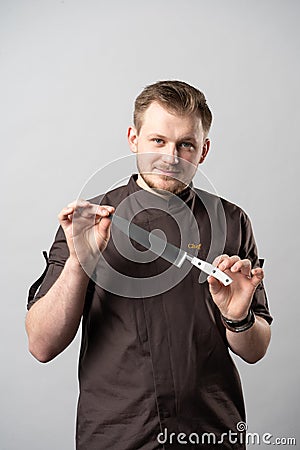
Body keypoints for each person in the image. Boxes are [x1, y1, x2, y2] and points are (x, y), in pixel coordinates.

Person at [26, 80, 272, 450]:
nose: (170, 157)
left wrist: (237, 317)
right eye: (158, 141)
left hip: (212, 433)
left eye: (185, 144)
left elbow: (255, 349)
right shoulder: (88, 223)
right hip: (117, 435)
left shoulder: (232, 221)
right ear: (133, 138)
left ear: (203, 151)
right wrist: (79, 262)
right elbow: (41, 345)